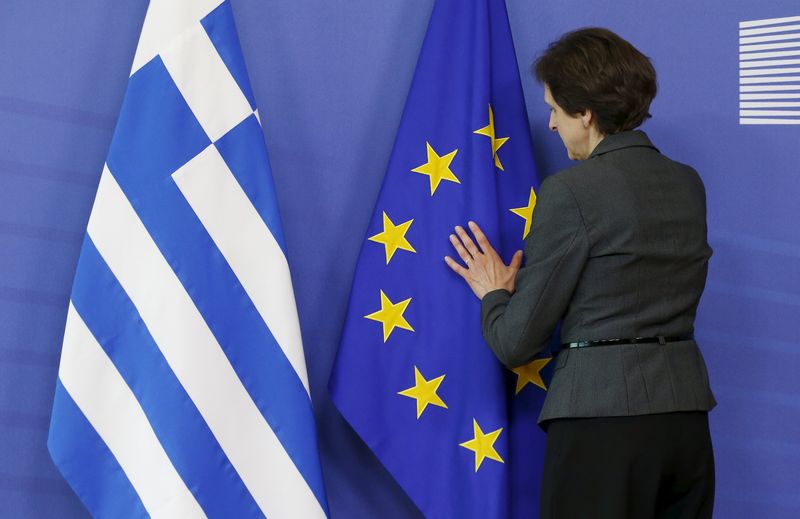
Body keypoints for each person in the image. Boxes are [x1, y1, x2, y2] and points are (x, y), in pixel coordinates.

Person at [444, 28, 716, 519]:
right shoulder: (687, 184)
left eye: (554, 109)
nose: (550, 124)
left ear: (586, 114)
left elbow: (515, 341)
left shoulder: (572, 192)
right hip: (686, 422)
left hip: (603, 426)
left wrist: (494, 294)